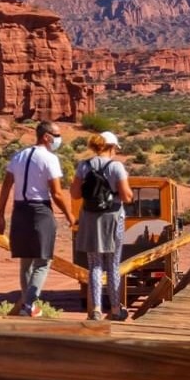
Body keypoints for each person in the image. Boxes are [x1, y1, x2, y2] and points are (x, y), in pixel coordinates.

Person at [0, 121, 74, 316]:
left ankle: (26, 305)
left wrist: (0, 215)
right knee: (43, 261)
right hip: (40, 211)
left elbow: (6, 186)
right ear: (46, 136)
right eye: (56, 135)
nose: (58, 139)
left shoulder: (18, 156)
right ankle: (29, 305)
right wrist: (70, 215)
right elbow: (56, 193)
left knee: (26, 262)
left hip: (19, 211)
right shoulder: (50, 158)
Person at [71, 131, 134, 321]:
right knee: (113, 263)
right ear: (112, 147)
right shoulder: (116, 167)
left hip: (89, 218)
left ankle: (96, 308)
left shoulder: (84, 165)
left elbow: (74, 194)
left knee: (95, 264)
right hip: (113, 217)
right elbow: (127, 196)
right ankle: (115, 309)